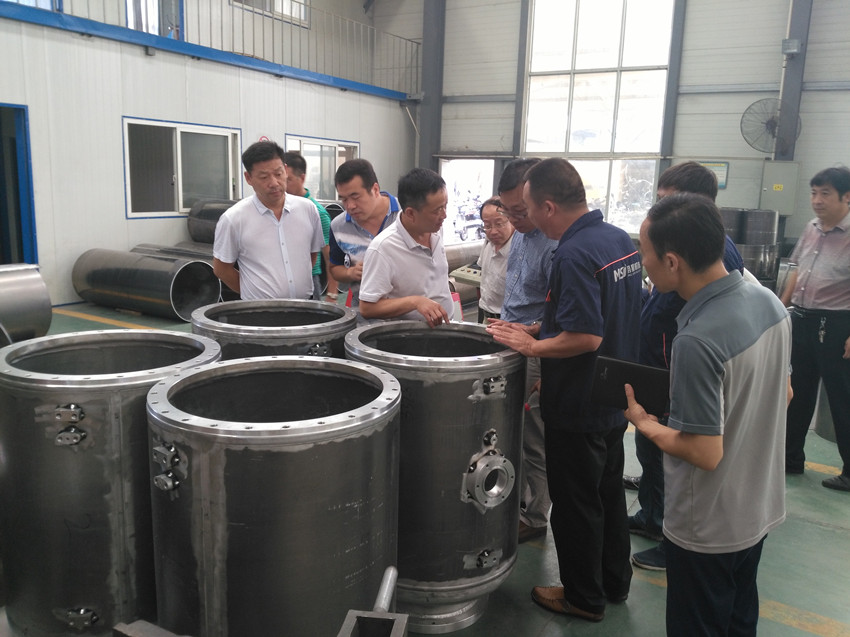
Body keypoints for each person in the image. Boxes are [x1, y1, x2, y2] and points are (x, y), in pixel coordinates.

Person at [625, 192, 791, 636]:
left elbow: (703, 452)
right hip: (758, 506)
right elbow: (785, 393)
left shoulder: (697, 340)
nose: (642, 263)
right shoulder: (769, 303)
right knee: (739, 620)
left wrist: (645, 423)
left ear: (672, 262)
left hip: (709, 526)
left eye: (645, 254)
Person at [488, 158, 641, 622]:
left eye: (528, 209)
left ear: (549, 207)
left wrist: (533, 346)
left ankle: (582, 597)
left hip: (578, 404)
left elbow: (586, 336)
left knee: (575, 504)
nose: (528, 220)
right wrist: (538, 328)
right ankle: (613, 581)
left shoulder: (572, 254)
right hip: (612, 395)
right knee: (608, 495)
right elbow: (597, 316)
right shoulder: (617, 240)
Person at [627, 161, 745, 572]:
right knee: (652, 456)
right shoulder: (684, 252)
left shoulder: (713, 262)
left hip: (675, 370)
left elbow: (703, 452)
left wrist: (648, 423)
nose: (658, 212)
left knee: (671, 456)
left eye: (667, 202)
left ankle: (669, 535)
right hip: (660, 364)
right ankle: (651, 514)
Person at [491, 158, 558, 544]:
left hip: (535, 350)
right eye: (508, 211)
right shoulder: (521, 235)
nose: (514, 219)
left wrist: (542, 360)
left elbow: (560, 316)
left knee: (534, 437)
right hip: (510, 344)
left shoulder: (555, 245)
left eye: (520, 210)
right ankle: (512, 499)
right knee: (508, 430)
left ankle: (534, 516)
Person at [780, 166, 850, 492]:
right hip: (802, 319)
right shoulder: (811, 228)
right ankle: (790, 458)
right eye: (813, 193)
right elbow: (798, 271)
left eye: (825, 194)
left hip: (836, 324)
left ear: (846, 197)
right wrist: (780, 307)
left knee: (842, 398)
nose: (817, 200)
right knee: (797, 393)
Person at [213, 140, 324, 300]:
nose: (274, 183)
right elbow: (221, 269)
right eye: (264, 177)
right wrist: (252, 291)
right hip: (260, 311)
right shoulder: (234, 219)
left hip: (304, 306)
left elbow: (311, 255)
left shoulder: (308, 209)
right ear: (248, 178)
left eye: (278, 174)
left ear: (285, 170)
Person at [358, 167, 454, 326]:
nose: (444, 215)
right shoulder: (383, 248)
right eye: (437, 210)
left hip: (446, 329)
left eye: (445, 206)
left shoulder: (436, 229)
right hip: (410, 336)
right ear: (410, 213)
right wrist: (415, 302)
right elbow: (367, 308)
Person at [328, 159, 401, 315]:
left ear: (375, 189)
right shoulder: (338, 227)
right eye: (344, 199)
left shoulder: (405, 215)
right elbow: (334, 268)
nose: (350, 206)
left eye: (355, 197)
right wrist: (350, 273)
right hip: (364, 317)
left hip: (408, 314)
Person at [282, 150, 338, 302]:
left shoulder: (317, 212)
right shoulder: (276, 209)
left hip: (308, 282)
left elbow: (330, 256)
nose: (283, 185)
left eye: (289, 180)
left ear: (302, 178)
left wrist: (332, 293)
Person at [477, 196, 514, 323]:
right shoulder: (488, 243)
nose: (493, 232)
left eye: (499, 224)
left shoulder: (517, 251)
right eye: (487, 226)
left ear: (511, 220)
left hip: (506, 321)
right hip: (486, 316)